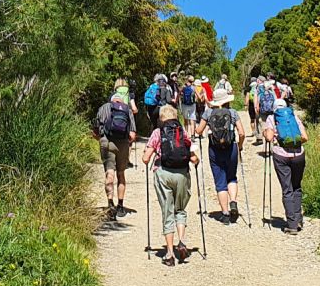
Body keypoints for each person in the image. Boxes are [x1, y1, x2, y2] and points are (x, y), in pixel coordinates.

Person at [143, 103, 197, 265]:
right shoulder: (183, 132)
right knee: (180, 210)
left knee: (167, 212)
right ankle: (181, 241)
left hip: (163, 173)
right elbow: (193, 158)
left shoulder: (157, 133)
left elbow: (146, 159)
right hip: (182, 174)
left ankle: (170, 254)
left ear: (161, 118)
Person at [262, 84, 306, 235]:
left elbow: (268, 138)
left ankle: (292, 224)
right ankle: (299, 218)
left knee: (287, 189)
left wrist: (269, 134)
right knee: (297, 186)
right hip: (299, 155)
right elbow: (305, 137)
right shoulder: (294, 116)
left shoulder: (271, 117)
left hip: (281, 155)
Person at [94, 80, 138, 218]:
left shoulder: (102, 108)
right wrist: (126, 141)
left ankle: (110, 204)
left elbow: (95, 131)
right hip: (123, 144)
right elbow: (132, 134)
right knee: (121, 174)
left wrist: (101, 140)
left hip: (106, 142)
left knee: (109, 173)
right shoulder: (127, 109)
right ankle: (120, 205)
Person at [200, 81, 243, 222]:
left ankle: (225, 214)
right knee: (231, 177)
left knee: (220, 181)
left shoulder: (208, 113)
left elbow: (198, 131)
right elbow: (242, 133)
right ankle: (233, 202)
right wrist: (240, 146)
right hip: (232, 148)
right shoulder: (233, 113)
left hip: (214, 150)